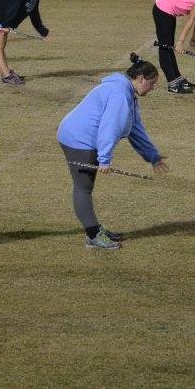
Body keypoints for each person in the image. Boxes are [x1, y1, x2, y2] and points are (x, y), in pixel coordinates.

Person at [57, 54, 169, 249]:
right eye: (152, 84)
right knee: (83, 187)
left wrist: (152, 155)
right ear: (141, 78)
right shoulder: (120, 94)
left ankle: (94, 229)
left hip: (81, 137)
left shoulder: (127, 93)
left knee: (85, 186)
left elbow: (134, 128)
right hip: (78, 140)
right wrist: (104, 159)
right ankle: (93, 236)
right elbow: (110, 127)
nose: (152, 88)